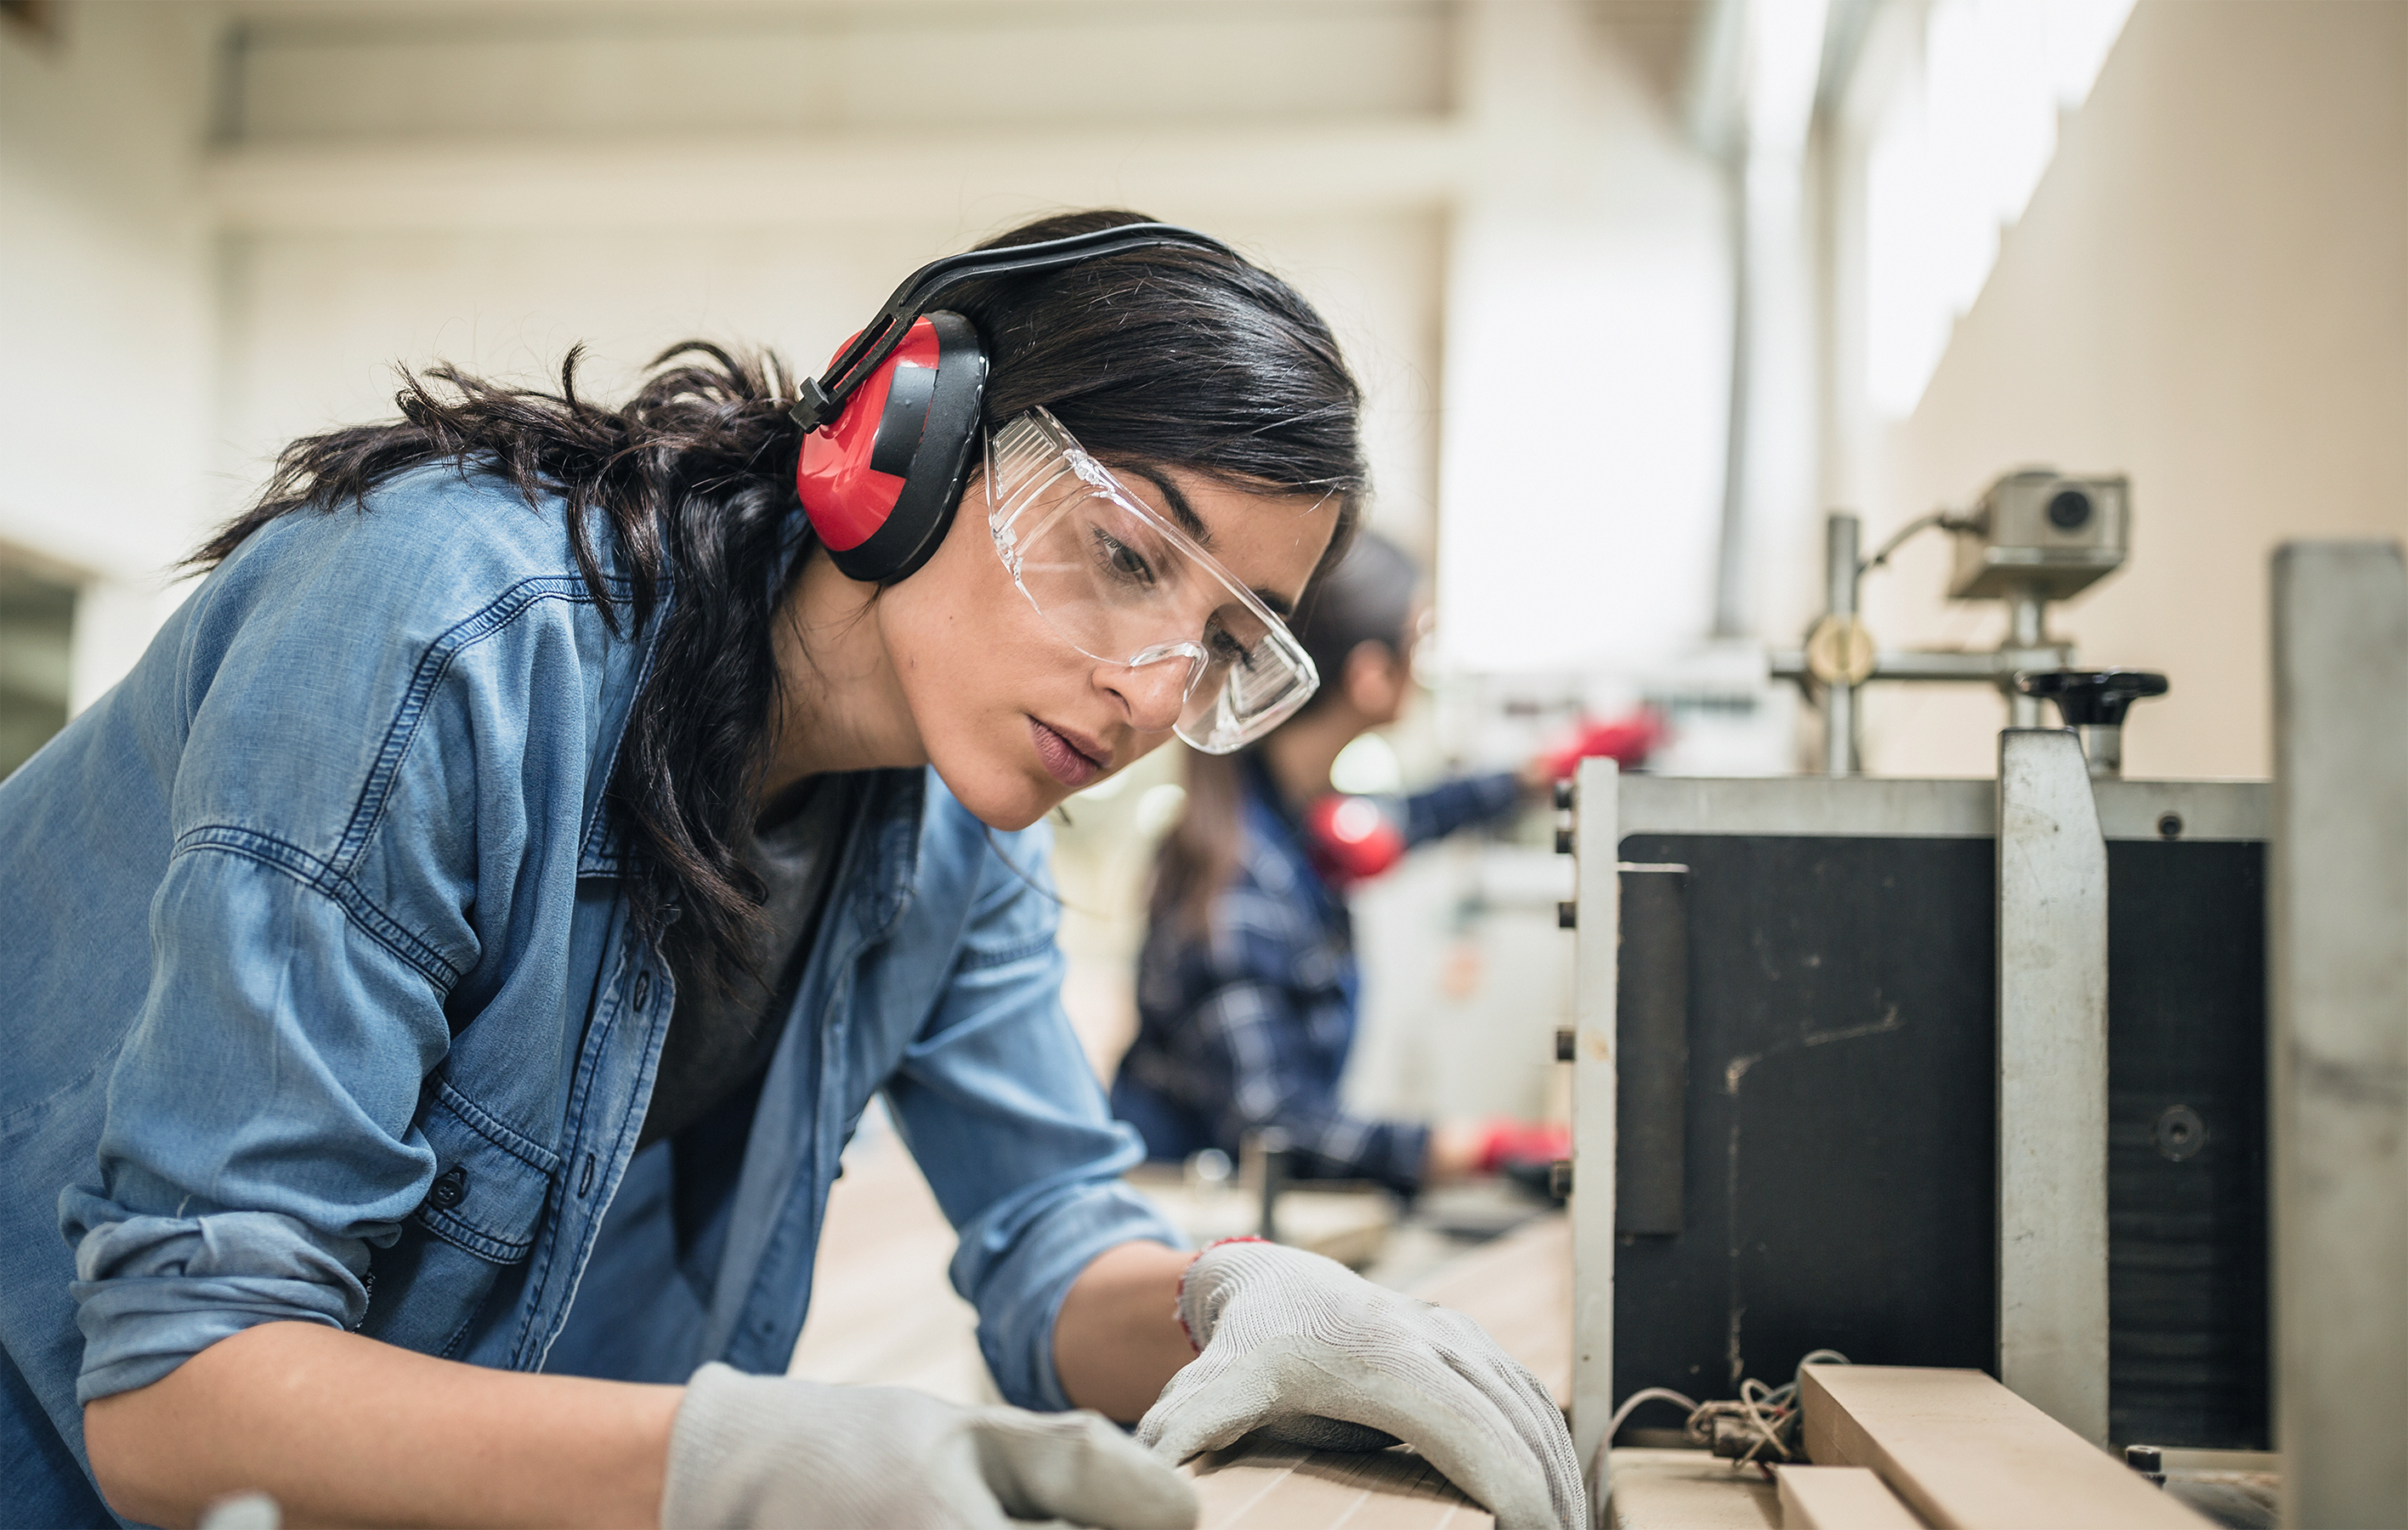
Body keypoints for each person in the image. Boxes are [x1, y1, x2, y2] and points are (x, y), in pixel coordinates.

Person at [0, 213, 1582, 1530]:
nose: (1157, 693)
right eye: (1121, 553)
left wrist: (1235, 1307)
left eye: (1230, 642)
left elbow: (1050, 1246)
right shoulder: (440, 636)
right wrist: (728, 1464)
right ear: (911, 428)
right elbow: (177, 1389)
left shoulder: (953, 826)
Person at [1113, 533, 1571, 1200]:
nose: (1425, 666)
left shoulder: (1292, 820)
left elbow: (1404, 819)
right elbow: (1276, 1125)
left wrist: (1535, 775)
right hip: (1179, 1216)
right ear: (1369, 674)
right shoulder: (1238, 888)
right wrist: (1479, 1147)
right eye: (1418, 641)